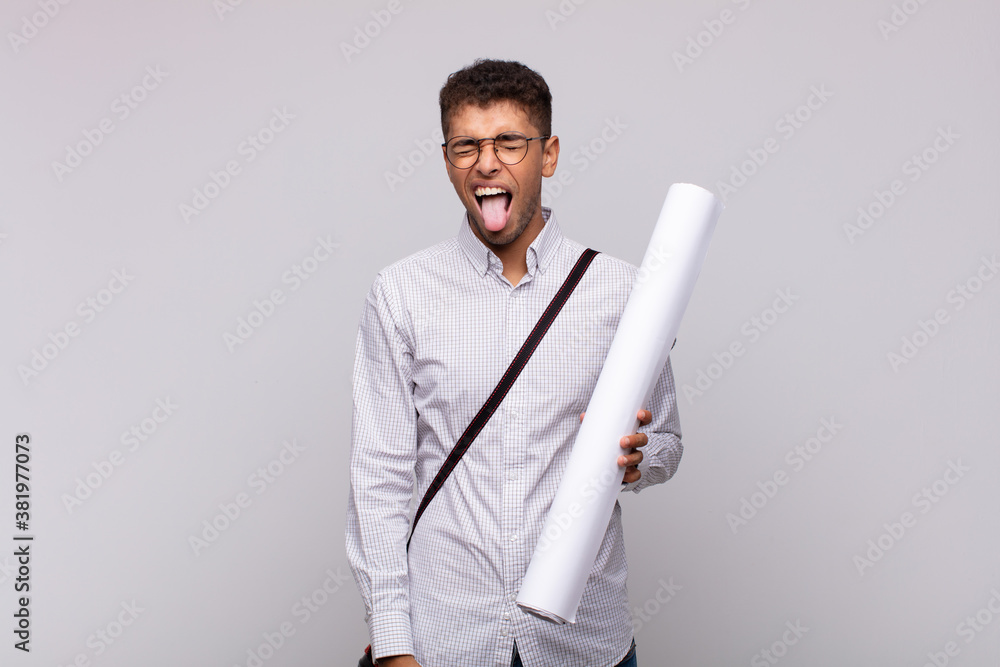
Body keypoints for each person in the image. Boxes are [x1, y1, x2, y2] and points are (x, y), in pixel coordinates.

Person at [346, 58, 683, 667]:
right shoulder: (400, 292)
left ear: (548, 155)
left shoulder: (622, 290)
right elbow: (380, 479)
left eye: (509, 142)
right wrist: (394, 641)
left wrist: (638, 457)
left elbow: (666, 444)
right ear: (447, 159)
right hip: (447, 638)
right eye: (466, 145)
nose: (487, 161)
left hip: (583, 639)